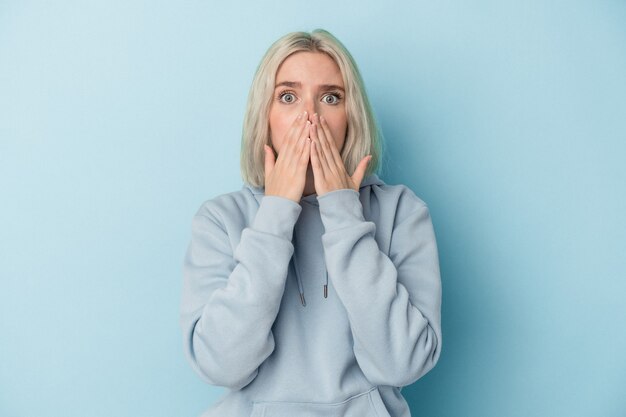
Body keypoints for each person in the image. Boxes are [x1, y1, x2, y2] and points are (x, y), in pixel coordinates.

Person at [180, 29, 442, 417]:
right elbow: (221, 364)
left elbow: (402, 363)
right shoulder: (220, 219)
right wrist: (275, 213)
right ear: (264, 116)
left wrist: (342, 212)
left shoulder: (401, 211)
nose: (310, 117)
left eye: (330, 97)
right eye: (288, 96)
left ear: (351, 117)